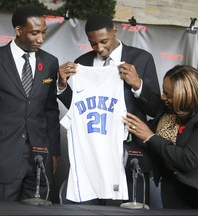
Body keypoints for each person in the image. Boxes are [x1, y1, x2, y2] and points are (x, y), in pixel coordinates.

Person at [57, 14, 161, 205]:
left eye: (103, 41)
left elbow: (156, 109)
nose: (100, 48)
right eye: (93, 43)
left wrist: (138, 84)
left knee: (129, 211)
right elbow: (80, 108)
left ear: (115, 31)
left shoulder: (142, 58)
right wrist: (62, 85)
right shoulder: (82, 62)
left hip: (130, 156)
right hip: (92, 154)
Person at [0, 5, 60, 202]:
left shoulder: (50, 62)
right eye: (34, 33)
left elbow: (51, 111)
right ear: (18, 30)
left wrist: (54, 153)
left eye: (43, 32)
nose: (40, 39)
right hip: (1, 159)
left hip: (40, 160)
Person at [123, 65, 198, 209]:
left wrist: (150, 137)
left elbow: (187, 160)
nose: (163, 97)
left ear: (184, 95)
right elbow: (154, 103)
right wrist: (137, 84)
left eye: (168, 94)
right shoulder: (168, 109)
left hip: (193, 192)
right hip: (170, 185)